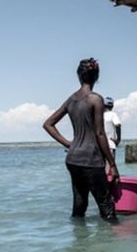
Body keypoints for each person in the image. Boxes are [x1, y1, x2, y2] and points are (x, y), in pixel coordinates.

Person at [43, 58, 120, 223]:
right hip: (91, 160)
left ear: (79, 76)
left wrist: (70, 144)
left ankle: (77, 237)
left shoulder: (71, 100)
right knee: (106, 206)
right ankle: (113, 237)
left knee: (79, 205)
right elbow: (100, 133)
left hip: (73, 159)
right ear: (97, 77)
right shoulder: (95, 99)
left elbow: (48, 124)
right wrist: (112, 164)